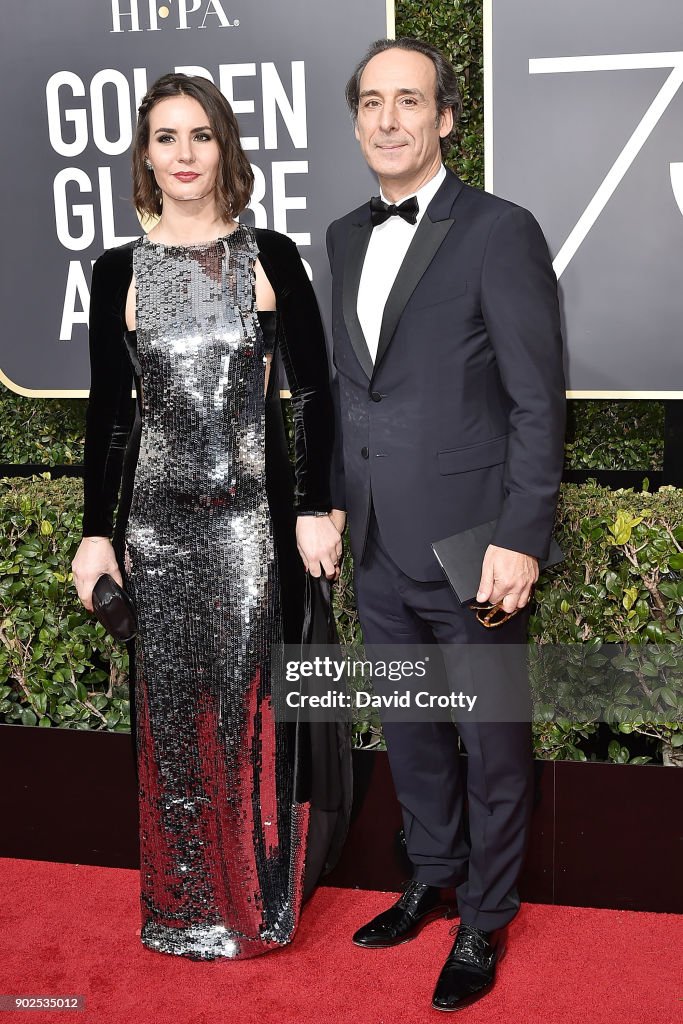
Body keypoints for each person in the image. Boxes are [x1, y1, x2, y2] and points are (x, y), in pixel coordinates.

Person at [72, 72, 348, 960]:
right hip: (155, 530)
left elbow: (310, 397)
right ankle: (179, 903)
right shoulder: (117, 270)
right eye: (165, 137)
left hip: (243, 532)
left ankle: (246, 904)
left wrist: (315, 506)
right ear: (145, 156)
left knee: (242, 718)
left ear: (225, 147)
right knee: (165, 723)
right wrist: (95, 530)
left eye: (199, 135)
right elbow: (111, 422)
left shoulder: (268, 257)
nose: (184, 154)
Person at [326, 38, 566, 1011]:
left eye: (408, 101)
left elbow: (535, 400)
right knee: (412, 732)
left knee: (492, 741)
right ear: (355, 120)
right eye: (371, 103)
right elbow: (355, 392)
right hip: (378, 544)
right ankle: (429, 875)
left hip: (473, 541)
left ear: (444, 118)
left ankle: (484, 915)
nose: (387, 119)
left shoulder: (497, 230)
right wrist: (336, 504)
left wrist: (519, 533)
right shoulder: (340, 235)